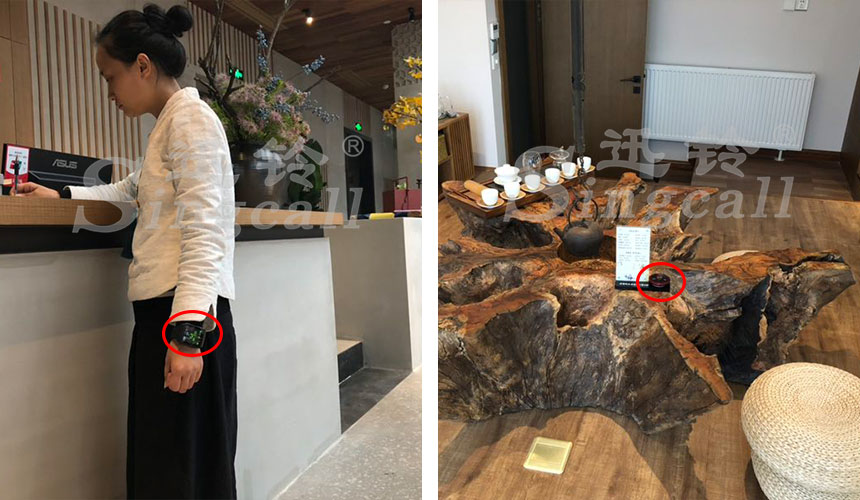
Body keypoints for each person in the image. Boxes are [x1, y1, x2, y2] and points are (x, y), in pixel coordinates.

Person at [13, 4, 237, 498]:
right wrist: (62, 194)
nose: (110, 92)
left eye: (110, 77)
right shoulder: (169, 124)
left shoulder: (191, 121)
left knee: (181, 470)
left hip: (184, 318)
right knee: (169, 464)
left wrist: (186, 338)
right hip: (167, 315)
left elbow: (206, 234)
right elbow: (130, 188)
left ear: (143, 65)